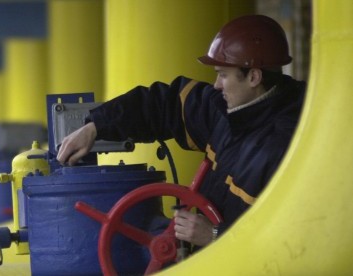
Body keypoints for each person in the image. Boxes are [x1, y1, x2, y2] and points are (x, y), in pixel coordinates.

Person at [57, 15, 305, 249]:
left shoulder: (288, 145)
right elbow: (164, 104)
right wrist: (96, 126)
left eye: (223, 75)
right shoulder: (228, 112)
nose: (216, 85)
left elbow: (292, 236)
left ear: (253, 77)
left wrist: (215, 235)